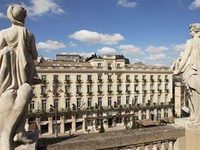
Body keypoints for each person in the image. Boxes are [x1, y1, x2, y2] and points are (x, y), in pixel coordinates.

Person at [0, 4, 41, 144]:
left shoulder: (4, 33)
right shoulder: (29, 33)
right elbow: (35, 55)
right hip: (25, 70)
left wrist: (8, 52)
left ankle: (15, 134)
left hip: (8, 74)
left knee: (19, 98)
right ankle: (18, 132)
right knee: (24, 98)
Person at [173, 23, 200, 128]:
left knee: (193, 95)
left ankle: (195, 118)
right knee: (196, 95)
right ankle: (195, 117)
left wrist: (178, 70)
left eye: (191, 31)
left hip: (193, 70)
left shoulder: (191, 42)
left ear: (195, 31)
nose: (190, 33)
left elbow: (185, 56)